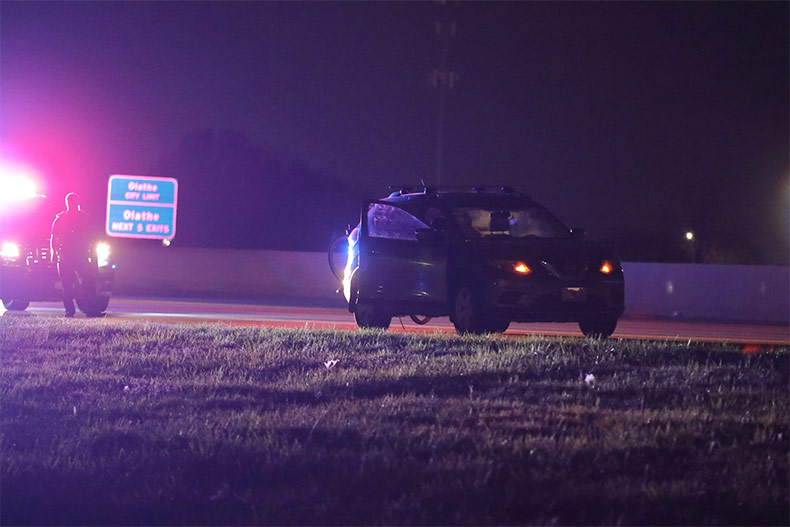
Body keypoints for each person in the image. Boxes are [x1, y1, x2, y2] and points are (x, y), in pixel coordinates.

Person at [50, 193, 96, 317]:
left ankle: (71, 311)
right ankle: (89, 310)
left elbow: (54, 238)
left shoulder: (61, 218)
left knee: (68, 285)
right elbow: (92, 236)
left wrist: (54, 253)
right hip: (78, 254)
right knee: (85, 283)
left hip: (69, 255)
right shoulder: (84, 217)